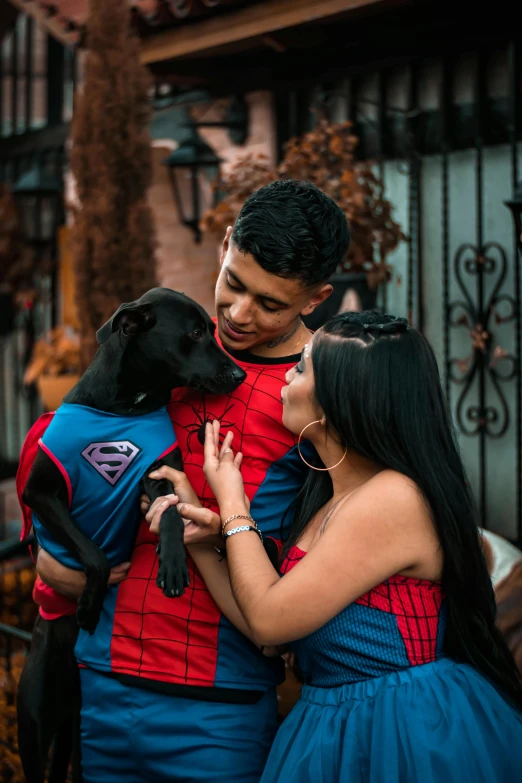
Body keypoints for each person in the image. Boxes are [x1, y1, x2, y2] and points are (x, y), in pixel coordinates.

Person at [34, 179, 351, 783]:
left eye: (270, 304)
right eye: (233, 283)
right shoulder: (166, 341)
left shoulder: (327, 391)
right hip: (102, 678)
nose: (237, 314)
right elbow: (67, 458)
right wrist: (47, 557)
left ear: (315, 299)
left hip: (219, 706)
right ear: (225, 243)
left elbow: (347, 537)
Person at [148, 310, 522, 783]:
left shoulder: (394, 498)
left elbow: (268, 614)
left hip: (402, 729)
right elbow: (271, 633)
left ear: (339, 400)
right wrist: (202, 542)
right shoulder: (328, 500)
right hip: (336, 721)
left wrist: (232, 501)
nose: (286, 373)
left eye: (302, 366)